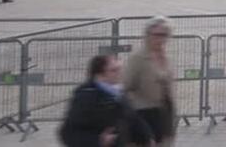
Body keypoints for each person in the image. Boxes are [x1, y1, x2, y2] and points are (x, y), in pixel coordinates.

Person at [59, 55, 153, 147]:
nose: (120, 73)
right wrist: (98, 140)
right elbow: (68, 133)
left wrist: (147, 137)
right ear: (99, 75)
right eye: (114, 70)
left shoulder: (118, 92)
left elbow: (132, 117)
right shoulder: (86, 97)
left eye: (119, 69)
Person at [124, 17, 176, 147]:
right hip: (144, 115)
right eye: (156, 35)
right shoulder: (138, 58)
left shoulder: (166, 57)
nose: (160, 39)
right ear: (147, 35)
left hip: (165, 114)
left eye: (164, 35)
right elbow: (126, 86)